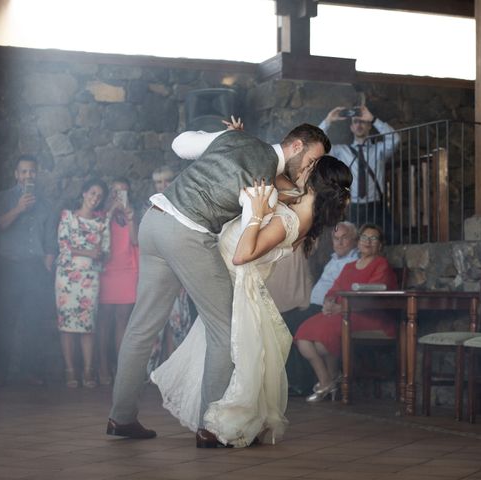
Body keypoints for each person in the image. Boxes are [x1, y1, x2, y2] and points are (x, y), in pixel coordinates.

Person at [107, 121, 331, 447]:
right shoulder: (265, 179)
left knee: (140, 328)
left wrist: (223, 138)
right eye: (312, 159)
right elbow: (247, 228)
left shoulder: (233, 138)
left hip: (154, 220)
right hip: (186, 234)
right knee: (225, 332)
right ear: (297, 146)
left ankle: (121, 417)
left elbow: (180, 145)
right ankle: (209, 427)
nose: (311, 167)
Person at [152, 156, 351, 447]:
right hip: (235, 281)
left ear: (315, 181)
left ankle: (223, 422)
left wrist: (256, 213)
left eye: (309, 167)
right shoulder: (301, 204)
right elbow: (282, 182)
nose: (302, 168)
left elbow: (243, 255)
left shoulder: (290, 220)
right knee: (236, 355)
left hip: (236, 279)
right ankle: (226, 421)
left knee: (235, 355)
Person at [294, 223, 397, 402]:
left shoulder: (381, 264)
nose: (368, 242)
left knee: (322, 340)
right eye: (365, 238)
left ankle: (329, 382)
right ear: (358, 242)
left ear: (380, 245)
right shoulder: (349, 267)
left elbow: (374, 297)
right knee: (303, 335)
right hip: (343, 314)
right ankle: (327, 381)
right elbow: (334, 289)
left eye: (374, 239)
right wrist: (328, 303)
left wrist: (341, 308)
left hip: (368, 317)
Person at [0, 154, 58, 386]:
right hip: (8, 266)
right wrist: (18, 208)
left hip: (35, 268)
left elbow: (49, 241)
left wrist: (47, 268)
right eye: (24, 172)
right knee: (4, 319)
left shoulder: (46, 204)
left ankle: (30, 371)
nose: (28, 175)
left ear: (37, 174)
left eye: (32, 171)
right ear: (16, 174)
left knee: (33, 321)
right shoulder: (3, 198)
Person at [280, 221, 359, 395]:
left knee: (291, 325)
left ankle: (302, 383)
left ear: (354, 239)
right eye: (336, 239)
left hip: (326, 309)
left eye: (344, 238)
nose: (339, 243)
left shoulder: (354, 261)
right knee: (284, 322)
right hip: (314, 305)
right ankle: (294, 380)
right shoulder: (334, 259)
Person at [55, 179, 110, 389]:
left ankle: (88, 370)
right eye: (92, 193)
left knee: (88, 325)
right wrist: (89, 252)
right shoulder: (67, 216)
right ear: (84, 192)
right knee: (67, 324)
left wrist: (99, 255)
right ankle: (70, 371)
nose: (95, 198)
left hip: (90, 277)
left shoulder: (101, 222)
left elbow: (106, 252)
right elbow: (63, 245)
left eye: (99, 196)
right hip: (67, 275)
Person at [319, 104, 400, 238]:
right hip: (353, 207)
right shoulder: (341, 151)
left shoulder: (379, 150)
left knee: (386, 239)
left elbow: (395, 139)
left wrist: (373, 119)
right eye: (355, 122)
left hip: (376, 206)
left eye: (363, 121)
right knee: (354, 242)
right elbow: (317, 146)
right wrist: (328, 120)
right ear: (351, 127)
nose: (359, 125)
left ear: (369, 126)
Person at [145, 165, 197, 376]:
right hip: (156, 276)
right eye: (158, 182)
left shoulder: (185, 207)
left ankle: (176, 372)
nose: (162, 186)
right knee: (155, 325)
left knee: (178, 325)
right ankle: (154, 372)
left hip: (179, 273)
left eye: (166, 181)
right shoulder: (149, 209)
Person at [96, 178, 139, 386]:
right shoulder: (102, 215)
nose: (119, 195)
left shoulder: (131, 214)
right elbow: (98, 237)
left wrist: (130, 217)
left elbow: (135, 240)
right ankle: (103, 366)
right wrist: (111, 212)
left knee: (123, 319)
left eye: (123, 192)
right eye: (116, 191)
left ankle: (121, 368)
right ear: (110, 194)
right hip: (106, 270)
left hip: (127, 270)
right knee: (104, 320)